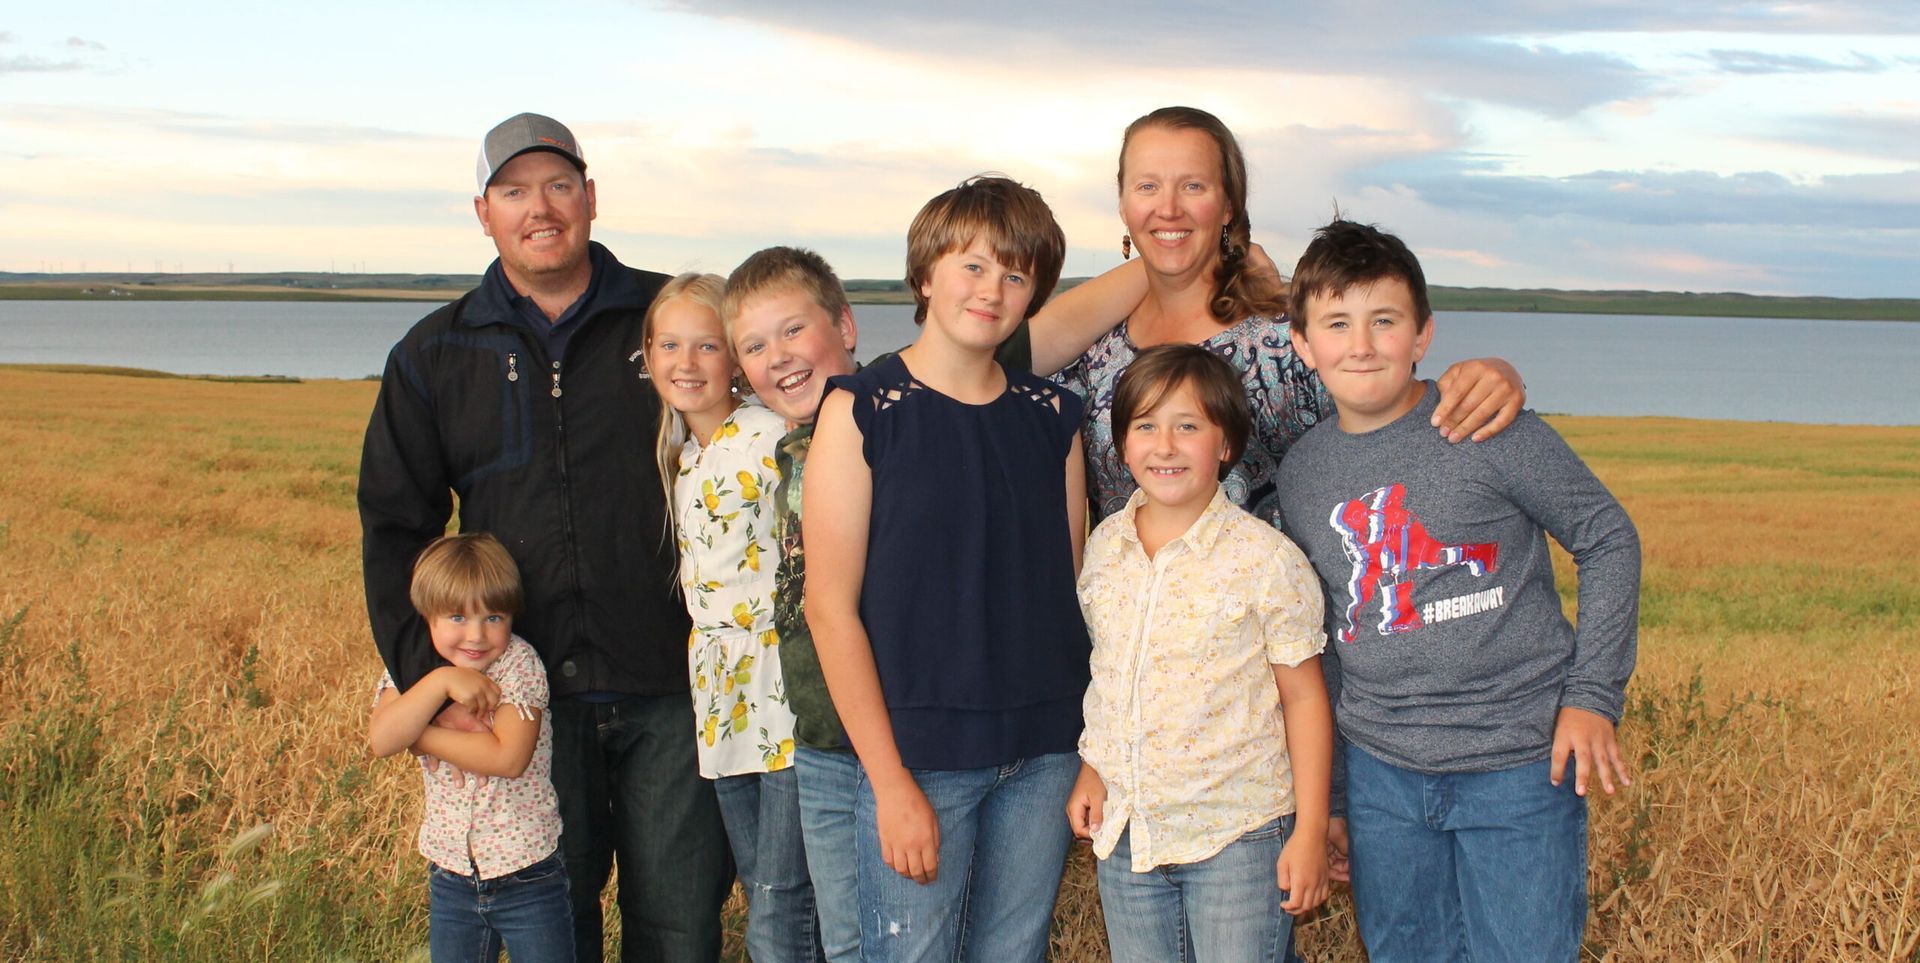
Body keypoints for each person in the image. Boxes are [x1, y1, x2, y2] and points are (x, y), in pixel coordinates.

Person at [358, 112, 731, 962]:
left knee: (678, 925)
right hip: (524, 695)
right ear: (482, 212)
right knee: (549, 931)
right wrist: (441, 674)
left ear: (591, 197)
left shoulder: (669, 318)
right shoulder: (435, 352)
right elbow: (395, 527)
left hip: (672, 684)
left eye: (559, 184)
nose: (541, 207)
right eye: (515, 190)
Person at [1275, 218, 1640, 961]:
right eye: (1337, 324)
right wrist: (1339, 798)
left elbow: (1608, 537)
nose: (1363, 343)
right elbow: (1331, 631)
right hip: (1382, 777)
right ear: (1304, 346)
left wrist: (1592, 696)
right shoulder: (1302, 473)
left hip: (1517, 765)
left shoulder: (1485, 422)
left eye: (1385, 320)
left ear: (1423, 334)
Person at [804, 176, 1089, 961]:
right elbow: (829, 609)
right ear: (926, 273)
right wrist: (889, 780)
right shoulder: (861, 409)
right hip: (918, 752)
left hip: (1043, 748)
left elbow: (1068, 585)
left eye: (1016, 273)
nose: (992, 289)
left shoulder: (1054, 418)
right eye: (973, 265)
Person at [1027, 105, 1529, 526]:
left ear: (1229, 205)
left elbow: (1399, 420)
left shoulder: (1286, 342)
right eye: (1147, 187)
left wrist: (1495, 376)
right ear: (1121, 203)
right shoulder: (1092, 356)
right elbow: (994, 367)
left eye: (1194, 187)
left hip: (1280, 635)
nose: (1169, 209)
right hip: (1126, 633)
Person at [1068, 345, 1333, 963]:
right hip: (1129, 831)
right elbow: (1111, 677)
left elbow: (1305, 699)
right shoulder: (1105, 545)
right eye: (1145, 426)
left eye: (1188, 426)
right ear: (1122, 445)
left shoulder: (1267, 560)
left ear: (1226, 445)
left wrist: (1312, 831)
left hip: (1236, 832)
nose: (1165, 446)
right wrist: (1093, 767)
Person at [644, 271, 823, 962]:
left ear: (736, 360)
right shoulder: (687, 455)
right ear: (649, 355)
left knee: (781, 904)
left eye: (708, 346)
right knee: (763, 890)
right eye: (669, 345)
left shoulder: (768, 437)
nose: (686, 364)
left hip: (780, 688)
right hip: (722, 694)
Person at [721, 246, 867, 963]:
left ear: (845, 324)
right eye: (753, 344)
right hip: (820, 739)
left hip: (886, 740)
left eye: (791, 330)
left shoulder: (886, 426)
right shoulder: (792, 446)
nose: (776, 356)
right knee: (841, 939)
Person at [368, 532, 572, 963]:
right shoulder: (415, 669)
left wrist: (419, 734)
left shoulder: (519, 664)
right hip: (450, 874)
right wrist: (441, 683)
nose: (476, 635)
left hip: (528, 874)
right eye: (457, 617)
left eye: (494, 617)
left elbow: (508, 758)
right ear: (427, 616)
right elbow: (382, 740)